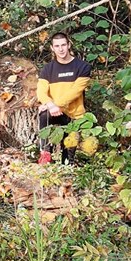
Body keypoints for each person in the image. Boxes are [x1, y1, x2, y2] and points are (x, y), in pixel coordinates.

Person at [36, 32, 92, 164]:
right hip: (54, 112)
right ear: (52, 48)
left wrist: (54, 104)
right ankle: (45, 154)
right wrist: (49, 105)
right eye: (57, 46)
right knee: (44, 115)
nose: (60, 49)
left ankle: (68, 162)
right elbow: (41, 92)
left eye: (63, 45)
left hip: (74, 115)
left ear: (69, 45)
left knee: (67, 160)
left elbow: (75, 92)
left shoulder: (83, 67)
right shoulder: (47, 69)